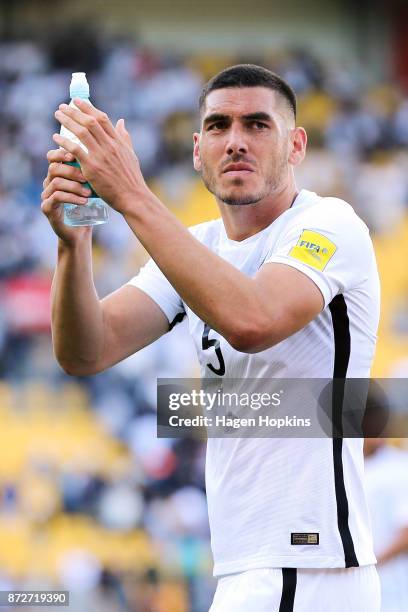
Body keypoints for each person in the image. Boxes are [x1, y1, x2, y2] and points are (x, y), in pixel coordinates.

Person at [41, 64, 381, 611]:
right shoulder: (198, 247)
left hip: (307, 566)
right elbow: (87, 350)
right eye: (219, 126)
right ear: (198, 149)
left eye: (257, 125)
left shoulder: (328, 224)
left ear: (296, 145)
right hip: (251, 568)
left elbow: (252, 321)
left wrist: (130, 193)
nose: (236, 141)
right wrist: (72, 246)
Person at [364, 439, 408, 612]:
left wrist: (367, 564)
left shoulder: (400, 466)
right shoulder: (339, 465)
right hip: (355, 590)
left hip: (393, 590)